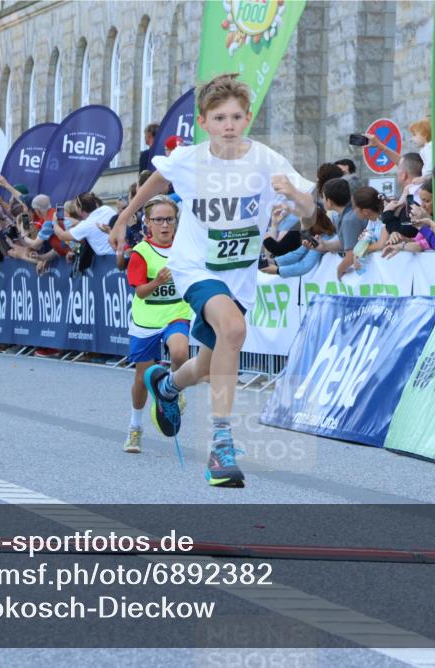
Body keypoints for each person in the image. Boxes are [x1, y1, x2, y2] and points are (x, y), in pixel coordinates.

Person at [109, 73, 315, 488]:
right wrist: (125, 216)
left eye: (237, 116)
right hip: (195, 266)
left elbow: (312, 215)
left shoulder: (267, 160)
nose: (229, 125)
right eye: (220, 117)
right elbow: (158, 180)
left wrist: (296, 196)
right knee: (234, 330)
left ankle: (166, 384)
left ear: (247, 118)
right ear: (204, 122)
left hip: (238, 274)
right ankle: (221, 444)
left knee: (206, 363)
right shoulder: (190, 158)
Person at [123, 195, 191, 454]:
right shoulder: (141, 252)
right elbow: (140, 292)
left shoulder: (185, 248)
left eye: (170, 220)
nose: (165, 225)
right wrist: (158, 282)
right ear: (148, 223)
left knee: (180, 353)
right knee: (142, 377)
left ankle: (172, 390)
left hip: (177, 312)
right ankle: (135, 428)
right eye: (159, 220)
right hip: (147, 317)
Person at [259, 210, 337, 277]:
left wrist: (277, 270)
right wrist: (273, 261)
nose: (300, 225)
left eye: (301, 222)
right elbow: (296, 254)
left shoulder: (323, 238)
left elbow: (305, 265)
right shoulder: (313, 236)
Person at [336, 186, 385, 278]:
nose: (353, 211)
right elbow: (362, 244)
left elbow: (380, 245)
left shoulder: (385, 220)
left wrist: (363, 250)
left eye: (354, 208)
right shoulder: (371, 221)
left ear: (365, 211)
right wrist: (357, 254)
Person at [47, 192, 116, 256]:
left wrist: (54, 221)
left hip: (108, 260)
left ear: (80, 209)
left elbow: (62, 236)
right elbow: (80, 244)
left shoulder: (85, 225)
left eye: (76, 206)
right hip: (120, 254)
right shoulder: (107, 209)